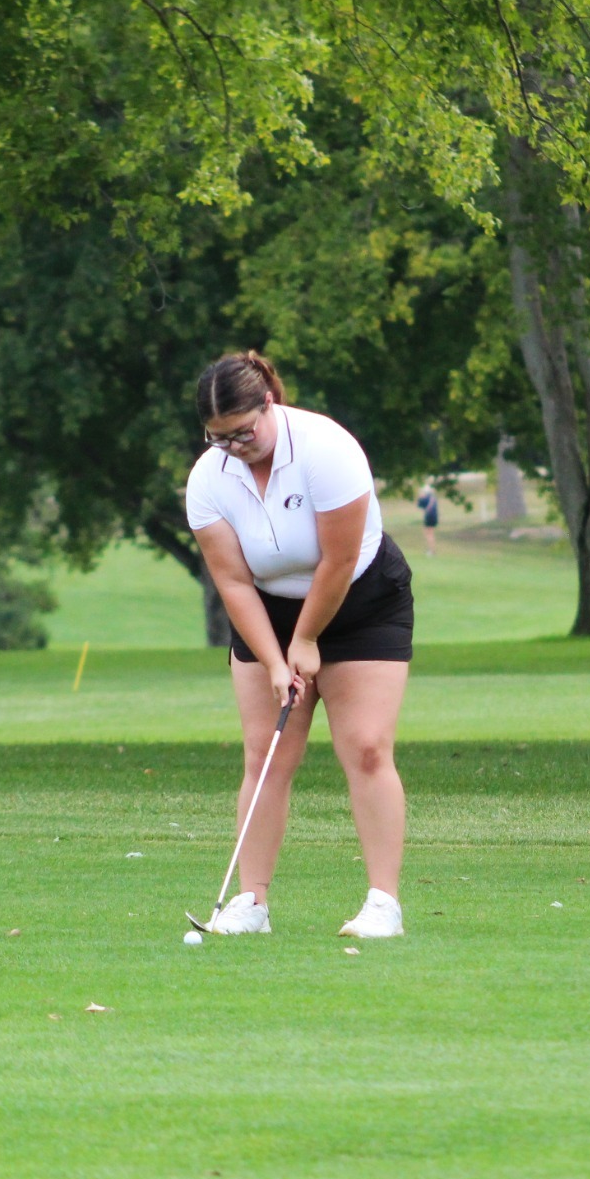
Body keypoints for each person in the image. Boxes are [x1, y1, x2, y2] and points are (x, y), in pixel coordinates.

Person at [185, 351, 414, 937]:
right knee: (265, 755)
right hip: (266, 610)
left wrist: (307, 638)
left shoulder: (327, 450)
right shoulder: (208, 479)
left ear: (269, 403)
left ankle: (383, 903)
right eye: (219, 438)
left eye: (244, 432)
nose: (235, 446)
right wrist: (272, 658)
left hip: (359, 599)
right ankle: (251, 904)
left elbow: (338, 559)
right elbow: (233, 581)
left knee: (365, 746)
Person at [416, 484, 439, 556]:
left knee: (429, 534)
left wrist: (420, 496)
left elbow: (419, 504)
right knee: (431, 534)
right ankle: (431, 550)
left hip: (429, 517)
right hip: (434, 517)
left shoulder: (425, 498)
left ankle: (431, 550)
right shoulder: (433, 498)